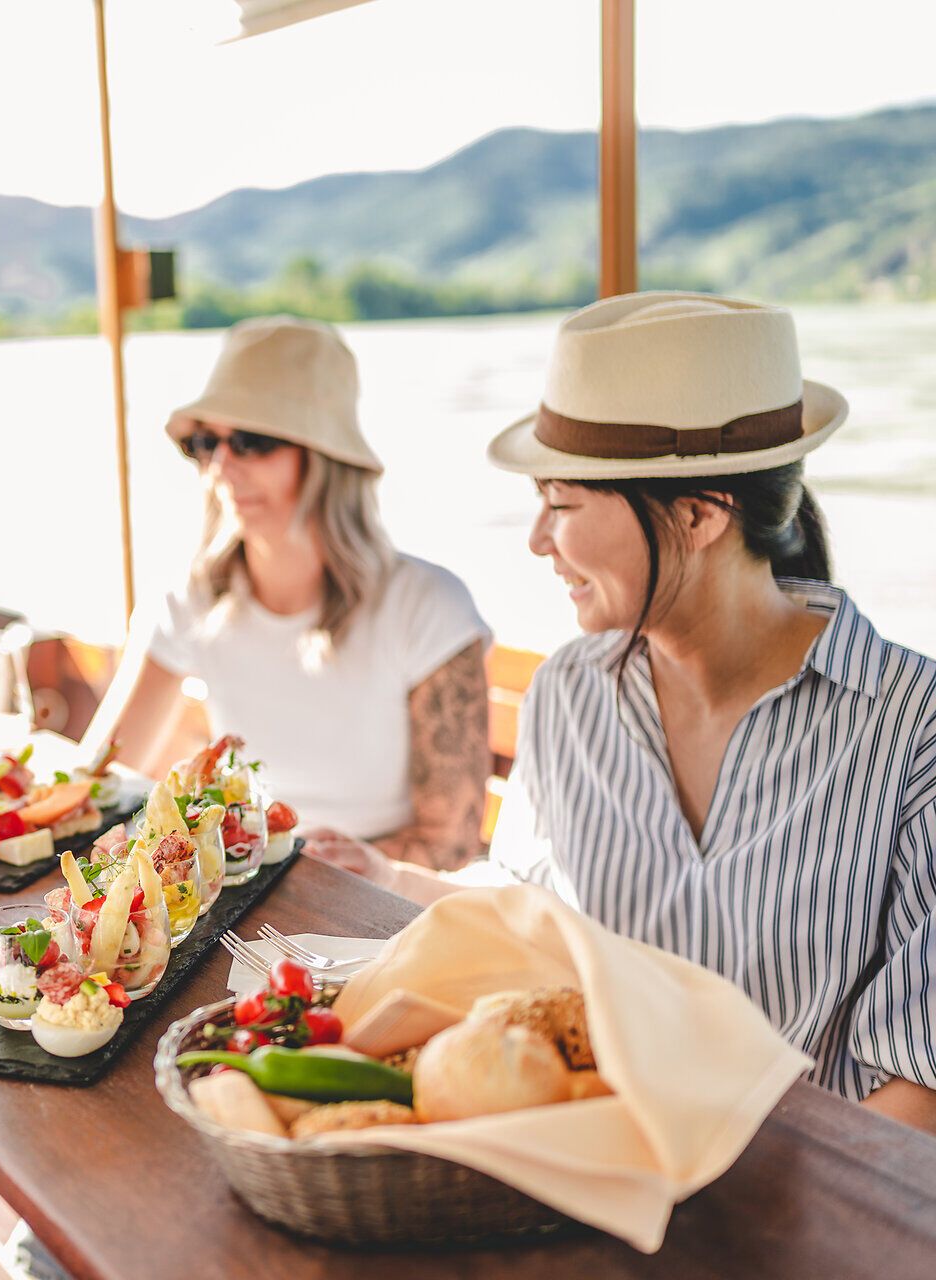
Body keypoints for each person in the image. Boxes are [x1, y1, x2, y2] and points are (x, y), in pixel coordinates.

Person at [305, 292, 936, 1133]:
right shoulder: (569, 692)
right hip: (582, 1162)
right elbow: (535, 910)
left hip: (808, 1216)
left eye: (561, 504)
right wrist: (389, 879)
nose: (537, 539)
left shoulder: (912, 728)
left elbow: (919, 1084)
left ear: (700, 513)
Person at [98, 316, 492, 870]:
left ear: (325, 462)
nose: (221, 465)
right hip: (238, 893)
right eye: (205, 442)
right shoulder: (189, 597)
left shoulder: (427, 609)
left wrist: (307, 874)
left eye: (253, 442)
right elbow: (106, 779)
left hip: (377, 900)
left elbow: (449, 844)